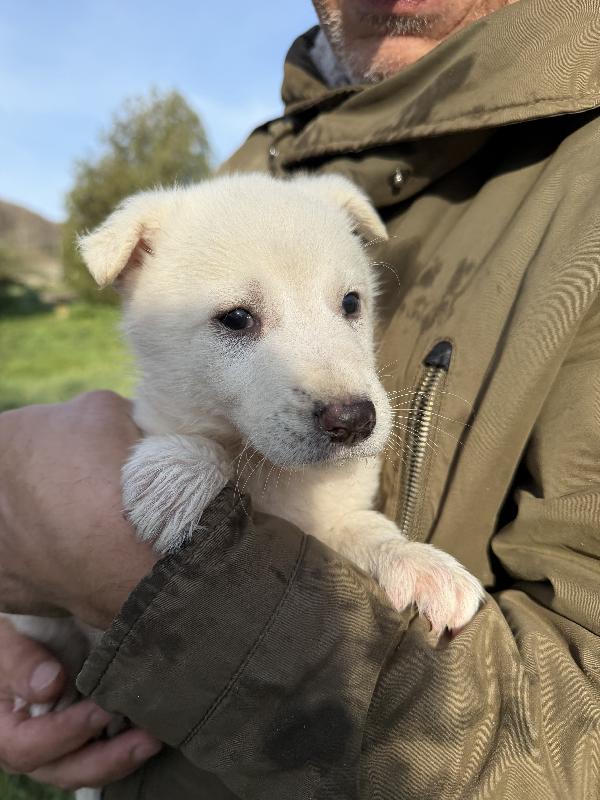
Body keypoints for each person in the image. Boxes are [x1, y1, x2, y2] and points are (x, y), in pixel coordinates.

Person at [2, 0, 600, 796]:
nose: (341, 390)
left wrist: (386, 550)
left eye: (349, 306)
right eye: (239, 320)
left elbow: (339, 523)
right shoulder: (234, 184)